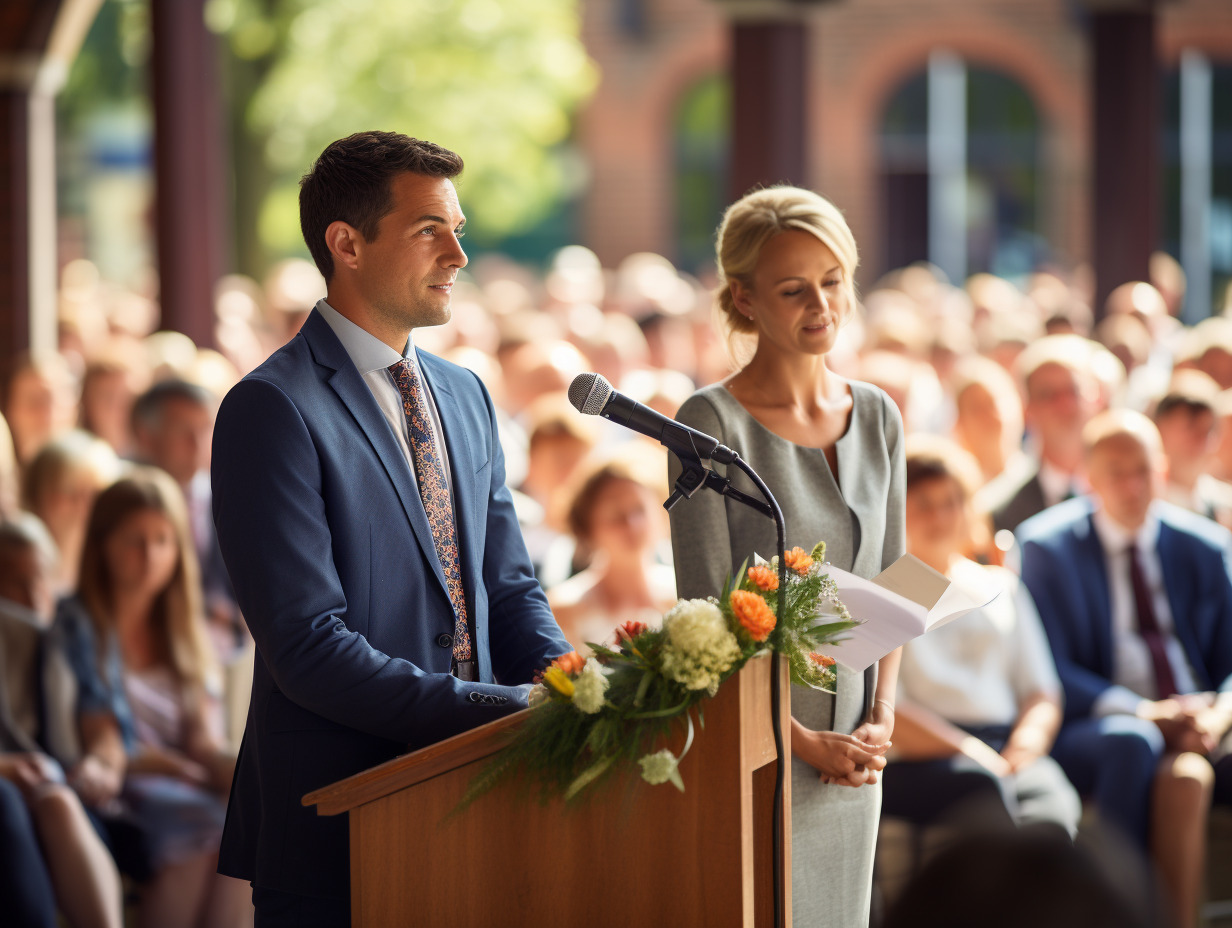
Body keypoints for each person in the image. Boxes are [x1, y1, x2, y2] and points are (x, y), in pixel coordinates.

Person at [209, 131, 571, 925]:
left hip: (485, 804)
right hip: (343, 824)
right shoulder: (270, 409)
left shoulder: (466, 395)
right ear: (346, 244)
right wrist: (504, 709)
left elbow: (508, 589)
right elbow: (307, 645)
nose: (458, 256)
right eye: (428, 230)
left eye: (458, 230)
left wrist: (568, 686)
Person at [669, 185, 903, 928]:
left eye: (833, 282)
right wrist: (797, 741)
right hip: (763, 753)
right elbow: (705, 616)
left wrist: (881, 720)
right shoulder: (709, 423)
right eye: (794, 289)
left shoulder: (878, 414)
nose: (822, 306)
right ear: (744, 297)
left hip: (859, 748)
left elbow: (897, 581)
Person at [1018, 409, 1232, 928]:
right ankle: (1116, 911)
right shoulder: (1046, 548)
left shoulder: (1204, 545)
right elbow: (1050, 666)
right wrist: (1145, 711)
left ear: (1162, 468)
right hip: (1105, 719)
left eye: (1143, 470)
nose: (1132, 486)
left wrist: (1218, 718)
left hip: (1202, 718)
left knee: (1186, 776)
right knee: (1132, 742)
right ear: (1089, 478)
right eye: (1116, 472)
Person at [58, 469, 251, 928]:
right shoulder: (78, 623)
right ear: (102, 544)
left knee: (250, 833)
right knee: (205, 832)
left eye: (163, 541)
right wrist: (174, 768)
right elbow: (102, 737)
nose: (150, 556)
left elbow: (202, 742)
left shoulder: (189, 629)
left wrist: (245, 774)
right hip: (123, 782)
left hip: (185, 779)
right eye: (134, 540)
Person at [882, 437, 1080, 838]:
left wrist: (1026, 745)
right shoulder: (890, 589)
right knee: (984, 792)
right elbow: (889, 707)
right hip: (925, 757)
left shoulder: (1000, 585)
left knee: (1052, 812)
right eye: (924, 503)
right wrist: (968, 751)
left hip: (1005, 744)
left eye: (951, 501)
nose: (940, 515)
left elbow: (1041, 690)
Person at [0, 514, 124, 928]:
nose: (34, 597)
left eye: (42, 580)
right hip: (14, 788)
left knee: (56, 800)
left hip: (63, 787)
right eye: (16, 581)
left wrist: (100, 765)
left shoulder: (68, 634)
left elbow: (102, 727)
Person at [130, 380, 244, 665]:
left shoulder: (230, 494)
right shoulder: (126, 503)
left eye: (204, 429)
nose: (196, 443)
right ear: (147, 436)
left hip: (230, 647)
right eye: (182, 430)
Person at [547, 447, 677, 652]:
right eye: (615, 515)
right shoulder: (562, 609)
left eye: (639, 510)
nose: (631, 525)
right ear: (588, 526)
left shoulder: (683, 596)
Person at [983, 334, 1102, 535]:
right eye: (1049, 395)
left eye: (1073, 390)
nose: (1064, 405)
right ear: (1028, 409)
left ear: (1095, 398)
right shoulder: (1000, 509)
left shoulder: (1128, 488)